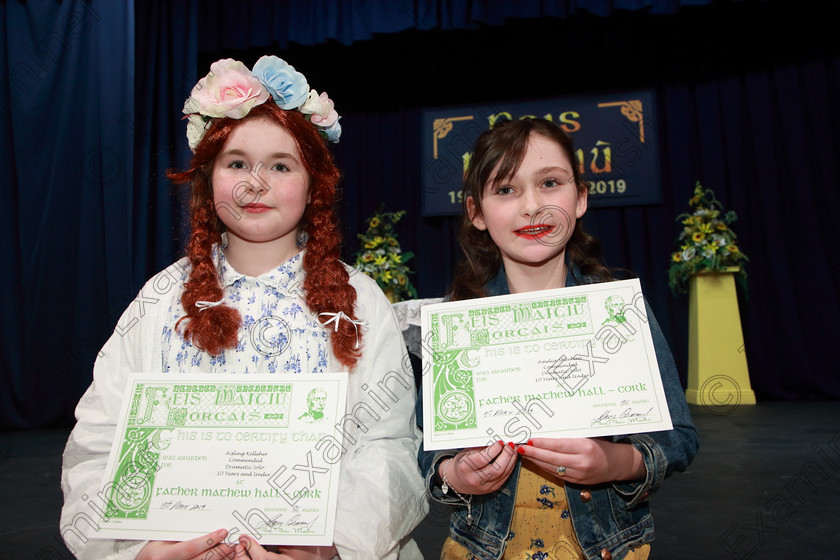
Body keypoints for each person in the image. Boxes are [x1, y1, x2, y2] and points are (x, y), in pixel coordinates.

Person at [61, 55, 427, 560]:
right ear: (208, 179)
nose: (255, 184)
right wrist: (140, 550)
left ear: (314, 183)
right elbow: (102, 443)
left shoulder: (358, 300)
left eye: (280, 165)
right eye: (237, 164)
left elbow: (387, 448)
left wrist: (331, 547)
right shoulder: (161, 300)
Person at [418, 118, 698, 560]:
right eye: (506, 190)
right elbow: (431, 453)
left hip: (605, 548)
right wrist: (456, 474)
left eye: (550, 183)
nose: (531, 207)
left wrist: (614, 463)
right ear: (476, 212)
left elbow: (678, 437)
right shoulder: (457, 325)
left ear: (580, 197)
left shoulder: (618, 313)